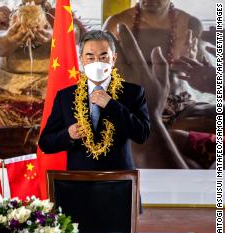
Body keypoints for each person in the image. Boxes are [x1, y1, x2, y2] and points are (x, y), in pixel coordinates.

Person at [38, 30, 150, 170]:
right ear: (82, 59)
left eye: (103, 57)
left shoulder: (132, 92)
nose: (97, 62)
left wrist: (111, 105)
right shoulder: (66, 96)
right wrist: (68, 134)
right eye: (90, 57)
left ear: (113, 58)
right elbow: (45, 143)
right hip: (79, 182)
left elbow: (142, 134)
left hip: (118, 180)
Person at [103, 0, 214, 133]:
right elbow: (99, 75)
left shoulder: (191, 24)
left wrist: (192, 65)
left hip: (180, 108)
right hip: (131, 108)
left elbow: (204, 81)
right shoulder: (116, 23)